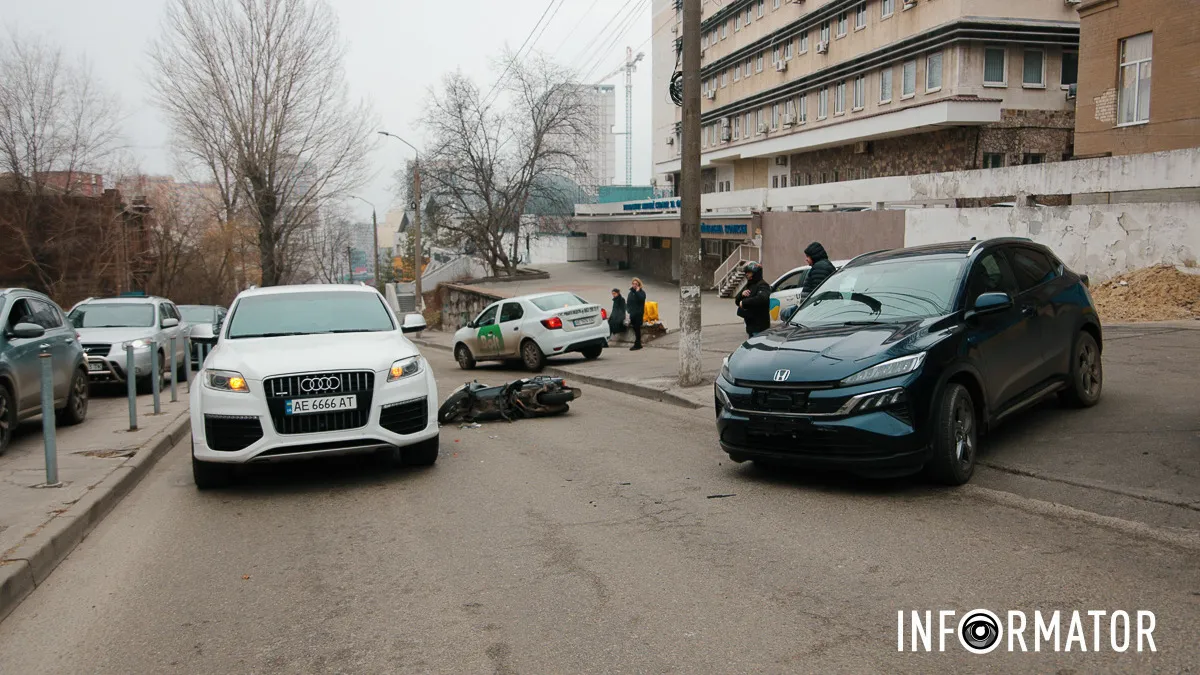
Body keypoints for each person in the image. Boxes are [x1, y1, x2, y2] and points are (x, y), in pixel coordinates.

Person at [735, 262, 772, 337]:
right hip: (751, 325)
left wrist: (745, 302)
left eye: (749, 272)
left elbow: (762, 298)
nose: (747, 274)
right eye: (746, 272)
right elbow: (737, 301)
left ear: (755, 273)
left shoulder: (762, 285)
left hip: (759, 326)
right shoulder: (750, 284)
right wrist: (742, 294)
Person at [626, 278, 646, 351]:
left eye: (636, 284)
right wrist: (628, 310)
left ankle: (637, 344)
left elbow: (641, 299)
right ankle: (638, 344)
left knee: (637, 328)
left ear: (639, 285)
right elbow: (628, 302)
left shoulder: (641, 292)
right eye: (633, 284)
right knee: (634, 328)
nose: (634, 285)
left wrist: (637, 292)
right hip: (632, 313)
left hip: (638, 313)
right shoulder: (631, 292)